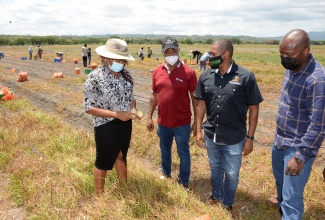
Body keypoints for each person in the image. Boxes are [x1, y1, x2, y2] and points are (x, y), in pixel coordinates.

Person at [194, 38, 263, 212]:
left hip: (234, 138)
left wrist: (250, 138)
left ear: (225, 54)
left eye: (213, 54)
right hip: (211, 135)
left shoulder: (246, 77)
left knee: (232, 174)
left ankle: (227, 203)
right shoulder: (206, 75)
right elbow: (200, 105)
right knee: (215, 168)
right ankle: (216, 196)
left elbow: (254, 109)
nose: (209, 57)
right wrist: (198, 131)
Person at [272, 29, 325, 219]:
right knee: (282, 186)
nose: (285, 58)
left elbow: (318, 126)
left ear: (305, 51)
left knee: (292, 198)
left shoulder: (317, 79)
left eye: (289, 55)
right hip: (280, 142)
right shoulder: (292, 69)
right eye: (282, 54)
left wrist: (300, 157)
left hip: (297, 148)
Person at [83, 38, 138, 194]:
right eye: (116, 59)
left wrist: (132, 109)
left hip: (125, 123)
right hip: (105, 125)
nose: (120, 62)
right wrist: (116, 114)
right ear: (105, 58)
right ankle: (100, 195)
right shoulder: (95, 77)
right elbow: (89, 108)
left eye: (122, 60)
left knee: (121, 155)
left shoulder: (126, 75)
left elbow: (131, 97)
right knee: (103, 160)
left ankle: (124, 189)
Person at [146, 36, 198, 188]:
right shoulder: (157, 71)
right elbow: (154, 96)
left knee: (183, 152)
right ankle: (165, 172)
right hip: (163, 122)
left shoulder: (188, 72)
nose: (170, 53)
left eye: (173, 50)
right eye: (167, 51)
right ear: (162, 53)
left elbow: (195, 99)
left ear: (179, 51)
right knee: (165, 150)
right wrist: (149, 117)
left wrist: (196, 123)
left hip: (182, 123)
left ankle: (183, 181)